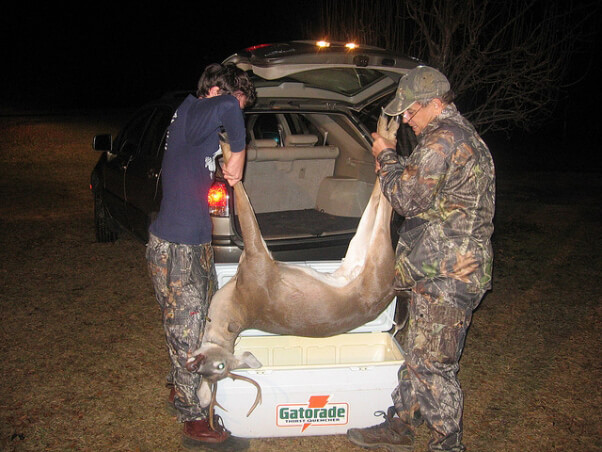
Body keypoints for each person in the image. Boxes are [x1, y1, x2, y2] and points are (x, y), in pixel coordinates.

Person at [347, 66, 495, 451]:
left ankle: (448, 442)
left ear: (433, 103)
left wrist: (387, 157)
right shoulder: (462, 136)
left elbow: (407, 198)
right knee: (419, 351)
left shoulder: (443, 140)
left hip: (447, 273)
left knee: (432, 365)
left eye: (411, 111)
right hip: (447, 267)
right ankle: (402, 423)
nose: (407, 119)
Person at [146, 62, 256, 450]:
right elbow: (227, 109)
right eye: (235, 104)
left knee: (188, 324)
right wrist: (239, 155)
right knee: (189, 331)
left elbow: (225, 117)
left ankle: (180, 387)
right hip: (177, 249)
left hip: (189, 244)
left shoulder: (196, 121)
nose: (234, 117)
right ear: (218, 92)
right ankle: (193, 417)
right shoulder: (195, 111)